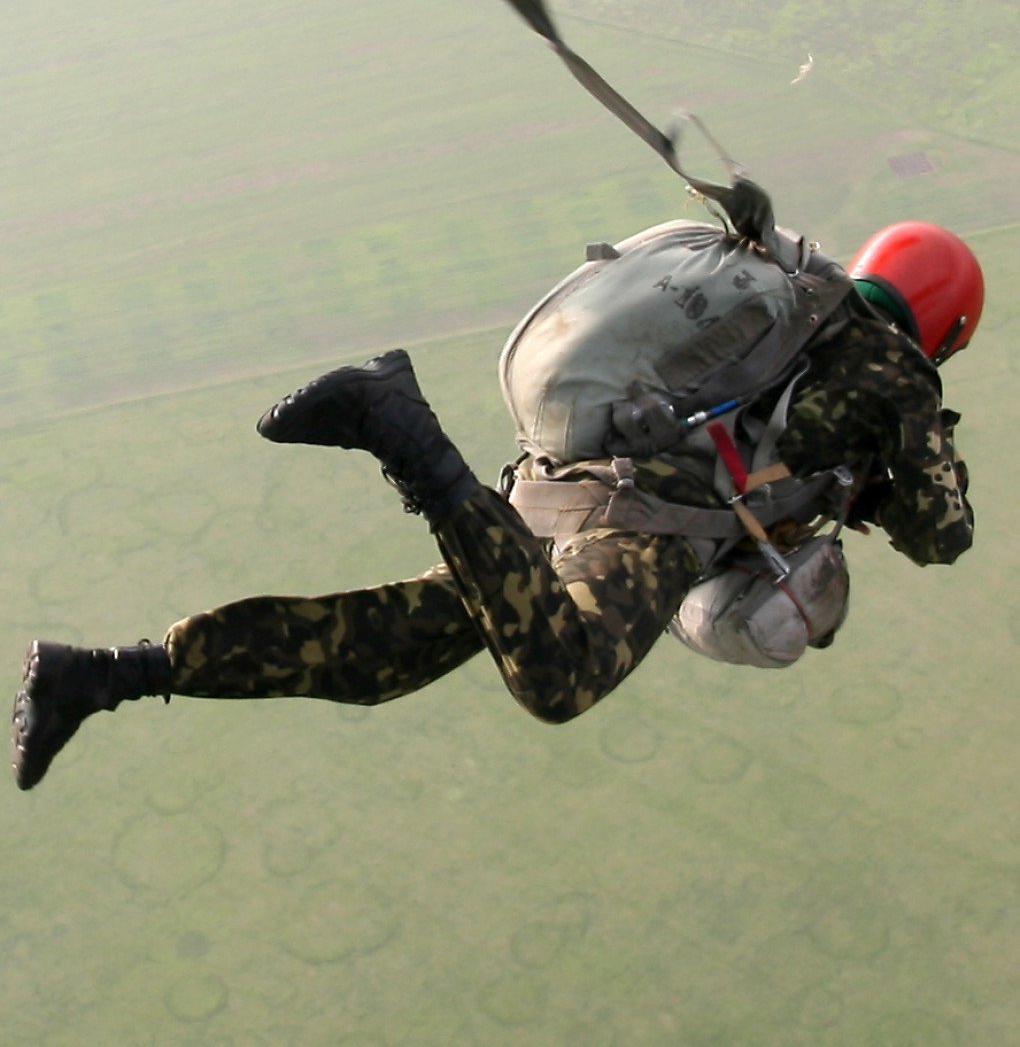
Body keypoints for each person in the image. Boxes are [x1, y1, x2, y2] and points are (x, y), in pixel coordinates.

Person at [11, 211, 981, 791]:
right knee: (560, 673)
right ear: (944, 326)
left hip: (565, 482)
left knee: (392, 648)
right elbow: (944, 534)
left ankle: (103, 672)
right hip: (646, 522)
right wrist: (911, 445)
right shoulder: (895, 375)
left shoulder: (792, 296)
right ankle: (401, 426)